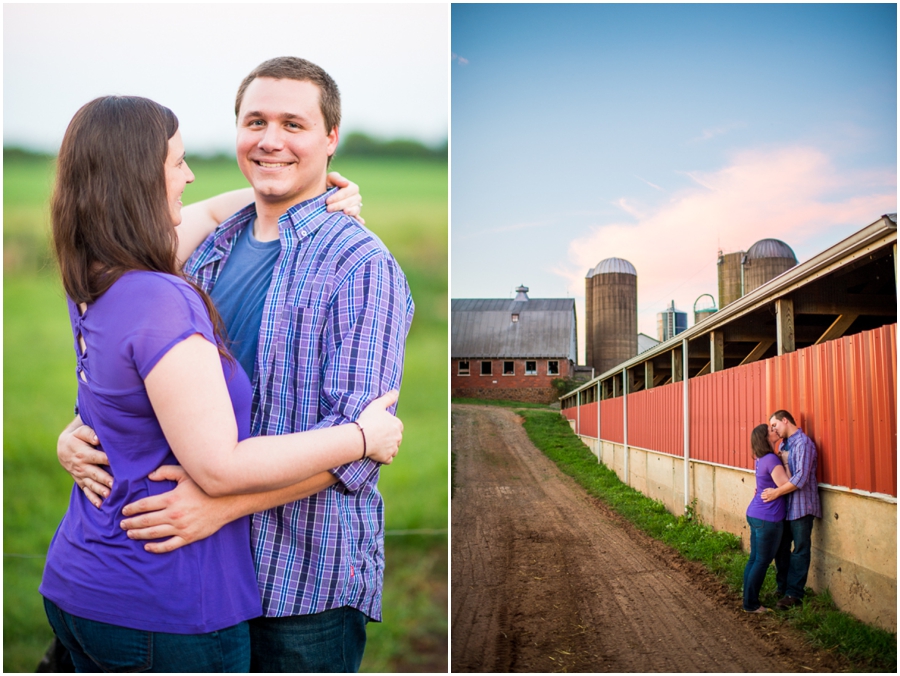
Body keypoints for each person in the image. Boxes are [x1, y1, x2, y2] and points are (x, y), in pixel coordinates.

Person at [58, 57, 415, 672]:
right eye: (256, 121)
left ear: (331, 138)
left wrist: (224, 505)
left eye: (293, 125)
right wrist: (79, 431)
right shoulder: (202, 249)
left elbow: (361, 449)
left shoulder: (359, 266)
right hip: (191, 569)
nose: (270, 139)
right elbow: (135, 371)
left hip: (299, 580)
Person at [761, 409, 821, 610]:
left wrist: (775, 493)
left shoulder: (803, 443)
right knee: (781, 547)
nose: (774, 431)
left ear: (785, 420)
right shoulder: (785, 444)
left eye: (775, 425)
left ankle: (794, 594)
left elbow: (801, 478)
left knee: (800, 549)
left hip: (802, 506)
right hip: (786, 507)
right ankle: (782, 587)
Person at [742, 424, 791, 613]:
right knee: (761, 561)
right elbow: (786, 485)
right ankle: (751, 604)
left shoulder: (762, 459)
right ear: (765, 437)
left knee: (754, 559)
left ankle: (748, 599)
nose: (775, 431)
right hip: (767, 518)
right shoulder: (771, 459)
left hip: (755, 513)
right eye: (771, 430)